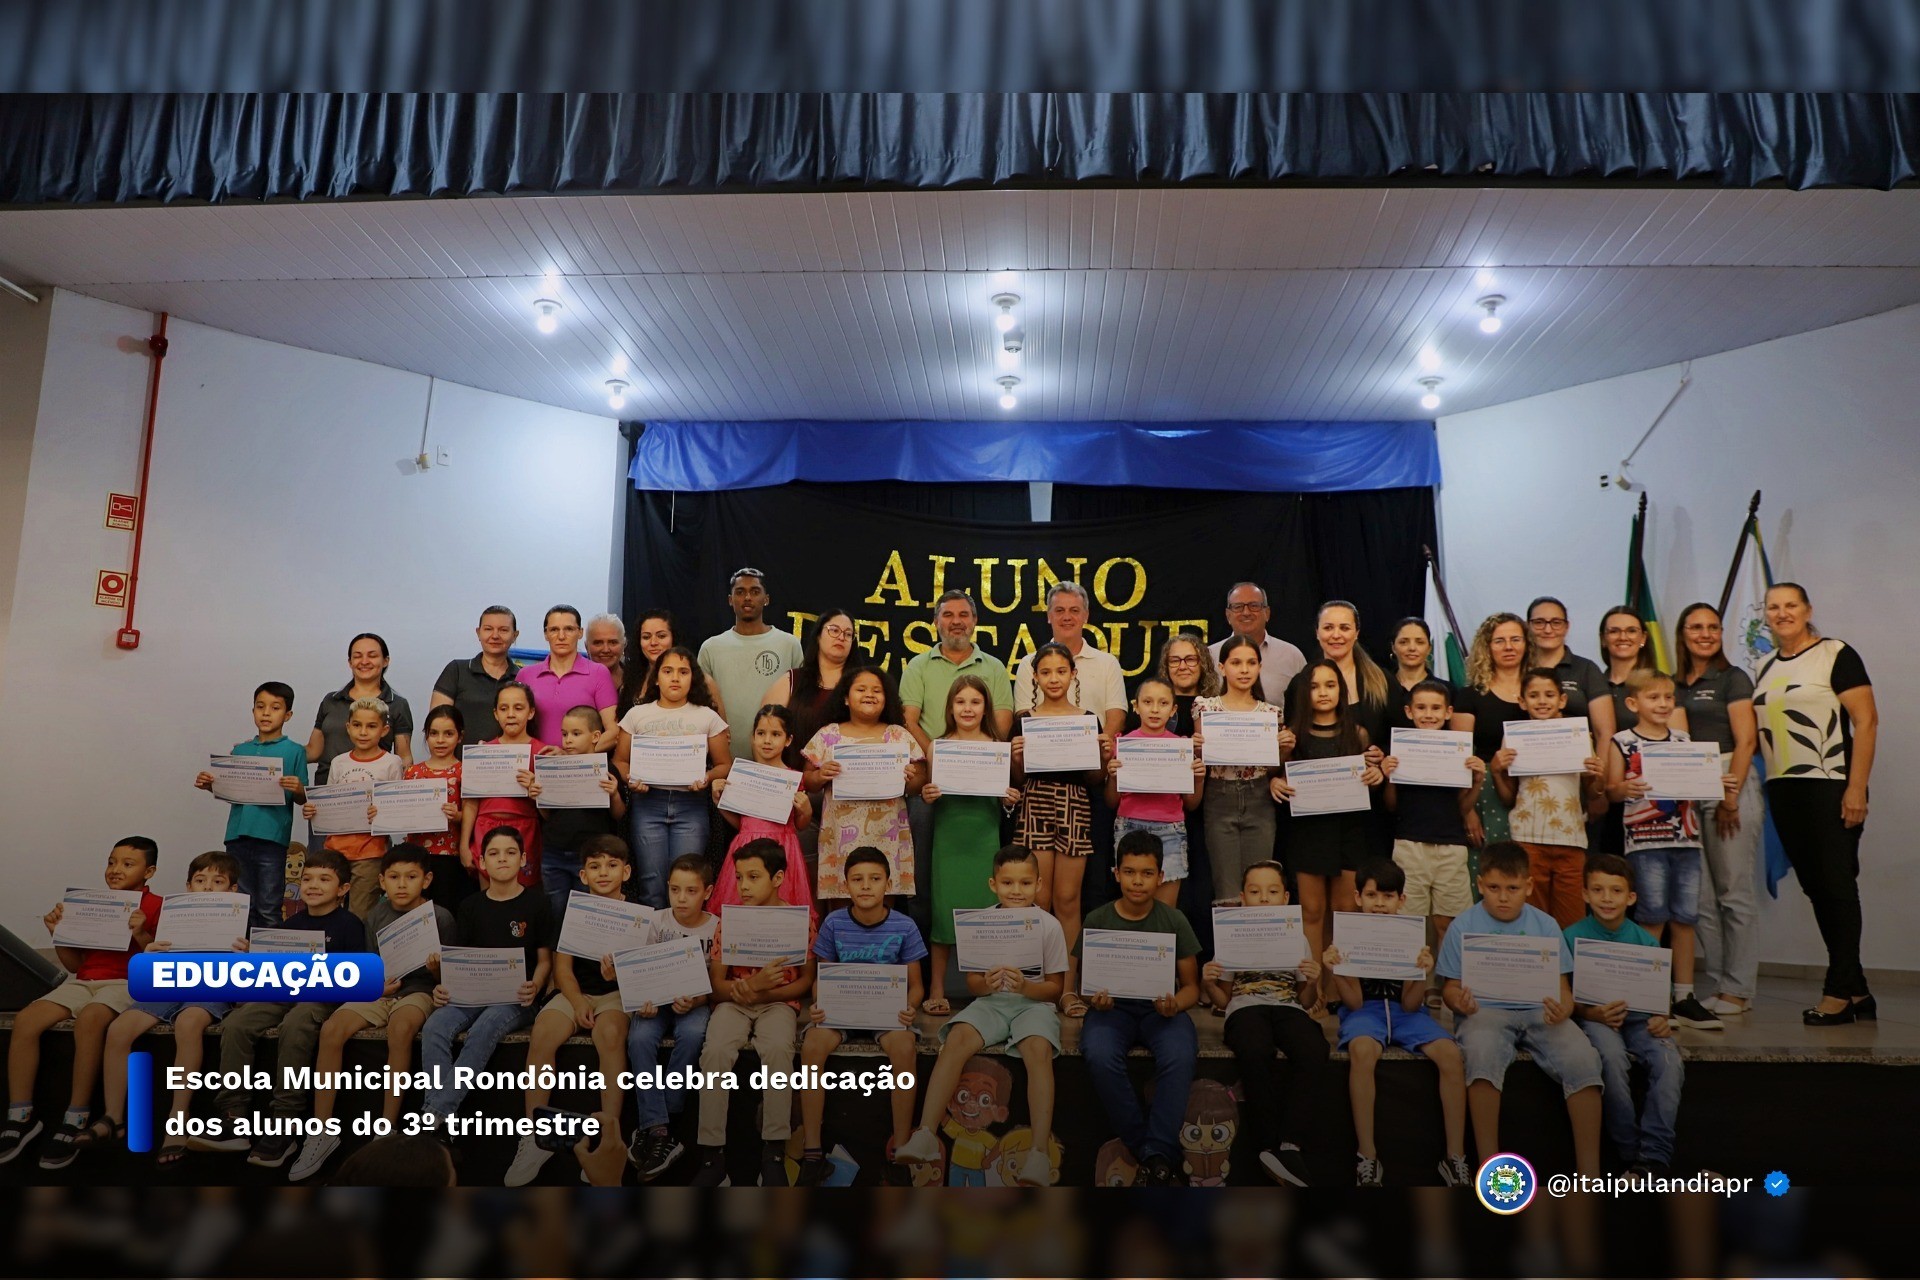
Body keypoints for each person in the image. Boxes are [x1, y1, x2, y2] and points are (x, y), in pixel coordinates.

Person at [894, 844, 1063, 1189]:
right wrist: (985, 985)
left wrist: (1026, 988)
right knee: (955, 1039)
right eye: (1008, 883)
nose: (1016, 891)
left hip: (1033, 1004)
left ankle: (1038, 1154)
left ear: (1039, 885)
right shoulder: (982, 923)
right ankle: (926, 1133)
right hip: (992, 1003)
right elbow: (972, 983)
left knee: (1038, 1050)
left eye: (1025, 883)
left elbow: (1055, 988)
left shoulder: (1049, 926)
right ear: (992, 884)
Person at [292, 843, 458, 1182]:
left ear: (425, 880)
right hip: (381, 991)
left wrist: (437, 970)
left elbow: (450, 979)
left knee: (400, 1029)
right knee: (332, 1029)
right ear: (381, 881)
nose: (401, 884)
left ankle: (386, 1129)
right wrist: (375, 984)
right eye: (394, 877)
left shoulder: (440, 916)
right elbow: (369, 965)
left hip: (420, 991)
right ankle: (321, 1131)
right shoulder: (376, 916)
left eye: (410, 877)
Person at [1438, 841, 1604, 1178]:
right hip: (1485, 1011)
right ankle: (1490, 1167)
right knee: (1481, 1057)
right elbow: (1450, 988)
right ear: (1480, 884)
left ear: (1528, 887)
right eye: (1494, 888)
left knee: (1584, 1060)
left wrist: (1564, 1008)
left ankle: (1590, 1175)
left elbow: (1563, 990)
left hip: (1540, 1011)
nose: (1503, 897)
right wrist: (1460, 1001)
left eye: (1512, 888)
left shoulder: (1545, 925)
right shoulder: (1461, 926)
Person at [1752, 582, 1878, 1026]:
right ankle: (1858, 989)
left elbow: (1866, 721)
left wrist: (1856, 787)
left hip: (1831, 784)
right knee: (1817, 888)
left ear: (1807, 609)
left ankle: (1838, 990)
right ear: (1765, 614)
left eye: (1791, 605)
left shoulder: (1836, 653)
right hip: (1784, 789)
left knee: (1837, 886)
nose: (1782, 613)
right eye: (1774, 607)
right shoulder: (1764, 665)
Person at [195, 848, 366, 1169]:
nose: (313, 885)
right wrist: (254, 956)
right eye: (307, 878)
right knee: (237, 1023)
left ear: (343, 889)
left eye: (324, 879)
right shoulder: (291, 923)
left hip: (323, 997)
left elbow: (354, 976)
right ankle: (233, 1117)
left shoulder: (349, 925)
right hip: (283, 991)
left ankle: (284, 1125)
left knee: (297, 1022)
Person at [0, 838, 163, 1168]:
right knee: (27, 1019)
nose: (116, 870)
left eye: (127, 864)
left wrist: (142, 934)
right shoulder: (91, 904)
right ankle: (21, 1115)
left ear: (149, 872)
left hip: (128, 982)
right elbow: (74, 965)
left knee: (91, 1018)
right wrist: (57, 932)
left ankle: (76, 1115)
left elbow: (159, 963)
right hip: (84, 981)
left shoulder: (157, 905)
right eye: (111, 862)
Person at [1322, 859, 1471, 1188]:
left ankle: (1455, 1157)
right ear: (1358, 897)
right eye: (1372, 896)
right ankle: (1368, 1156)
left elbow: (1410, 1004)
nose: (1379, 904)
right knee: (1362, 1050)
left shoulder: (1410, 935)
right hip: (1365, 1011)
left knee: (1450, 1054)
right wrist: (1337, 970)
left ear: (1401, 900)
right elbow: (1355, 1003)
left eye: (1388, 897)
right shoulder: (1349, 935)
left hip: (1407, 1013)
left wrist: (1422, 972)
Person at [1066, 831, 1201, 1186]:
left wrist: (1176, 1006)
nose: (1137, 881)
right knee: (1097, 1052)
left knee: (1181, 1055)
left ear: (1160, 877)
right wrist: (1093, 999)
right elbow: (1082, 984)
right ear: (1115, 873)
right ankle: (1152, 1151)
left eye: (1145, 873)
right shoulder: (1097, 919)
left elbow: (1192, 987)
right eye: (1129, 872)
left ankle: (1153, 1150)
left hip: (1161, 1011)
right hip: (1112, 1011)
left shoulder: (1174, 921)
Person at [99, 849, 244, 1169]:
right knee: (120, 1028)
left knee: (189, 1023)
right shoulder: (175, 916)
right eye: (200, 880)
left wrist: (245, 956)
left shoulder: (240, 919)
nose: (207, 887)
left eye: (217, 881)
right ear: (188, 886)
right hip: (171, 981)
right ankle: (113, 1116)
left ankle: (179, 1117)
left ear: (232, 891)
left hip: (213, 983)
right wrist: (149, 951)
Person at [504, 834, 635, 1186]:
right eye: (594, 867)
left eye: (611, 866)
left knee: (609, 1035)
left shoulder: (639, 914)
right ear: (583, 875)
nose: (603, 873)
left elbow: (640, 973)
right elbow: (563, 969)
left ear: (626, 872)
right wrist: (576, 1002)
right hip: (576, 990)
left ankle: (608, 1138)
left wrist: (617, 973)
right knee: (544, 1032)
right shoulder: (572, 910)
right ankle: (534, 1136)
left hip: (617, 995)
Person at [795, 847, 927, 1185]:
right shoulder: (834, 922)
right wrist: (819, 1003)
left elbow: (916, 986)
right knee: (811, 1046)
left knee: (904, 1049)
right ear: (846, 885)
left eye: (874, 879)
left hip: (886, 1013)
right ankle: (812, 1154)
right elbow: (821, 979)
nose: (865, 886)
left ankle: (899, 1154)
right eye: (857, 879)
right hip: (841, 1012)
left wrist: (910, 1007)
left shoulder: (905, 925)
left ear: (888, 883)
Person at [691, 840, 817, 1187]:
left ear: (778, 878)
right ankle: (712, 1155)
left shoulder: (798, 920)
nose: (744, 885)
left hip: (778, 1002)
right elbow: (716, 984)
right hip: (733, 1001)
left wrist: (763, 988)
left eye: (753, 876)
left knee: (778, 1050)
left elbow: (805, 981)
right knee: (715, 1051)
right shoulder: (729, 920)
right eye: (740, 877)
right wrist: (743, 989)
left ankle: (774, 1151)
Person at [1605, 668, 1723, 1031]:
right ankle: (1649, 996)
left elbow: (1698, 783)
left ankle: (1684, 996)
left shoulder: (1685, 741)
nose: (1662, 704)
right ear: (1633, 703)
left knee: (1685, 919)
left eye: (1668, 697)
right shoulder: (1622, 742)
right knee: (1652, 918)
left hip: (1686, 841)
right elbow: (1611, 790)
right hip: (1645, 843)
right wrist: (1626, 790)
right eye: (1653, 697)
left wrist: (1719, 781)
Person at [1202, 860, 1329, 1187]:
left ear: (1285, 897)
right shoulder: (1232, 935)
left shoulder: (1296, 936)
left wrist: (1314, 982)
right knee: (1255, 1049)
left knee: (1314, 1048)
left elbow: (1302, 1000)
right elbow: (1224, 1000)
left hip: (1288, 1007)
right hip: (1245, 1008)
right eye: (1255, 892)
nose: (1263, 898)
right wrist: (1209, 984)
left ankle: (1290, 1145)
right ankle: (1267, 1144)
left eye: (1272, 892)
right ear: (1242, 897)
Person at [420, 827, 555, 1129]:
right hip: (470, 996)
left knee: (486, 1027)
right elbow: (458, 963)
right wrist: (443, 986)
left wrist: (536, 985)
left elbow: (546, 960)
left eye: (510, 853)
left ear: (523, 859)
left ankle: (436, 1112)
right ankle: (442, 1114)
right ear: (482, 861)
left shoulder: (538, 903)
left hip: (517, 998)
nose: (502, 859)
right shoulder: (469, 906)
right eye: (493, 853)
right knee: (434, 1027)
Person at [1566, 854, 1686, 1175]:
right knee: (1611, 1058)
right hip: (1595, 1019)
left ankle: (1654, 1157)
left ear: (1631, 897)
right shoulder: (1570, 937)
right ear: (1585, 894)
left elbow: (1662, 998)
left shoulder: (1646, 942)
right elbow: (1565, 1000)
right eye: (1599, 890)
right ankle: (1629, 1150)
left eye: (1617, 891)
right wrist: (1592, 1013)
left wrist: (1663, 1016)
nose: (1607, 898)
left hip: (1640, 1020)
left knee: (1669, 1061)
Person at [1673, 602, 1761, 1017]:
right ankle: (1723, 982)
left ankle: (1740, 990)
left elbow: (1747, 741)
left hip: (1729, 781)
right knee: (1702, 899)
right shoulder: (1675, 683)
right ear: (1682, 633)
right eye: (1696, 627)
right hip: (1690, 786)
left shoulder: (1732, 678)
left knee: (1733, 893)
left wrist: (1730, 797)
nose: (1705, 634)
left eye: (1713, 627)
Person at [1272, 661, 1383, 978]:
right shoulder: (1292, 735)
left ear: (1342, 691)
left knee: (1345, 910)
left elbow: (1370, 774)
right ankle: (1313, 983)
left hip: (1349, 830)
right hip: (1307, 832)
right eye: (1315, 686)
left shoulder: (1358, 733)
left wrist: (1377, 774)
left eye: (1330, 685)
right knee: (1312, 910)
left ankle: (1341, 985)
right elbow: (1276, 774)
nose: (1323, 692)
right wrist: (1274, 781)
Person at [919, 675, 1020, 1014]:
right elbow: (931, 794)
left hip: (983, 840)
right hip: (949, 841)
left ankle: (990, 990)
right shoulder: (937, 746)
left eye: (975, 702)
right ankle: (936, 989)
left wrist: (1009, 801)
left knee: (986, 913)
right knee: (943, 915)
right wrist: (928, 795)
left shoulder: (996, 747)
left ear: (985, 708)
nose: (967, 708)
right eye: (961, 701)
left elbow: (1003, 805)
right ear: (950, 707)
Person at [1010, 643, 1113, 951]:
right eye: (1045, 672)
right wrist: (1016, 759)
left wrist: (1103, 758)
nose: (1054, 678)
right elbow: (1016, 782)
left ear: (1073, 674)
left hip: (1075, 805)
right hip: (1034, 803)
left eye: (1061, 671)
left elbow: (1093, 779)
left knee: (1068, 900)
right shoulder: (1024, 721)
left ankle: (1067, 983)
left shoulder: (1088, 720)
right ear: (1035, 678)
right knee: (1037, 899)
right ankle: (1039, 981)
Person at [625, 853, 718, 1182]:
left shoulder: (716, 927)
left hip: (694, 1002)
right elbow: (639, 972)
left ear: (707, 892)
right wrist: (641, 1001)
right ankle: (661, 1130)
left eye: (691, 891)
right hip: (655, 1002)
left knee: (693, 1036)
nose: (681, 898)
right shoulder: (656, 921)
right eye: (675, 889)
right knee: (639, 1037)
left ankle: (658, 1123)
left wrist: (697, 999)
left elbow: (718, 983)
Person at [1490, 669, 1607, 929]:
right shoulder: (1513, 737)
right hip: (1528, 838)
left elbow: (1592, 792)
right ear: (1522, 702)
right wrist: (1497, 771)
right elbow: (1508, 797)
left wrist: (1597, 777)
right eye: (1533, 695)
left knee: (1572, 919)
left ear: (1562, 700)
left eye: (1549, 695)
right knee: (1533, 919)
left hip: (1571, 838)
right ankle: (1538, 970)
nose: (1542, 701)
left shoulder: (1578, 735)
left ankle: (1566, 971)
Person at [615, 646, 731, 908]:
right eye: (668, 671)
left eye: (683, 671)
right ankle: (653, 949)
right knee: (651, 885)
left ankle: (685, 948)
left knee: (687, 885)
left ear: (694, 678)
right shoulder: (637, 715)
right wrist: (631, 778)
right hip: (647, 804)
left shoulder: (707, 716)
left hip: (691, 804)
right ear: (657, 678)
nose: (675, 678)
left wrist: (707, 776)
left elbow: (725, 764)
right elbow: (619, 761)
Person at [801, 666, 927, 901]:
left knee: (883, 894)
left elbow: (920, 780)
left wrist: (911, 778)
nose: (869, 694)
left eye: (877, 690)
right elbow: (807, 779)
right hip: (839, 835)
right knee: (842, 893)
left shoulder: (898, 735)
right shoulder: (829, 734)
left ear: (886, 699)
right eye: (861, 689)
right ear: (846, 698)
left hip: (886, 833)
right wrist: (820, 775)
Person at [193, 680, 308, 932]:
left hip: (272, 837)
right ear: (253, 710)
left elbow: (303, 797)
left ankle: (268, 962)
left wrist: (297, 787)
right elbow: (231, 790)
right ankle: (240, 960)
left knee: (268, 904)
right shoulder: (240, 749)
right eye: (260, 706)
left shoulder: (295, 751)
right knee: (239, 904)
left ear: (287, 715)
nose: (266, 713)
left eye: (275, 707)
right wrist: (210, 785)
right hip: (237, 835)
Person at [1380, 678, 1484, 953]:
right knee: (1409, 922)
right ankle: (1418, 989)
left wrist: (1477, 780)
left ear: (1449, 712)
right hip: (1409, 843)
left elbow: (1463, 808)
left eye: (1436, 708)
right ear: (1408, 712)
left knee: (1448, 923)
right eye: (1421, 708)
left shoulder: (1459, 751)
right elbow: (1391, 806)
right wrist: (1389, 777)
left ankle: (1443, 987)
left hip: (1451, 843)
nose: (1429, 714)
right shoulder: (1400, 750)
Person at [1194, 635, 1290, 923]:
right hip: (1218, 796)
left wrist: (1283, 751)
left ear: (1260, 667)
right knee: (1226, 891)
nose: (1244, 669)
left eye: (1251, 663)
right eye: (1236, 662)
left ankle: (1261, 966)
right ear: (1222, 668)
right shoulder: (1206, 707)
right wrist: (1197, 746)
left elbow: (1274, 769)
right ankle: (1229, 967)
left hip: (1259, 797)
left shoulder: (1272, 713)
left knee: (1261, 888)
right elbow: (1200, 757)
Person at [1106, 676, 1206, 907]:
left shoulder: (1181, 747)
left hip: (1171, 830)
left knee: (1165, 911)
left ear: (1173, 709)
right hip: (1128, 826)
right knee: (1133, 906)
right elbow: (1111, 802)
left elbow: (1191, 804)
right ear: (1135, 706)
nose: (1154, 709)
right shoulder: (1123, 745)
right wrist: (1112, 778)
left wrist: (1198, 780)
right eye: (1148, 702)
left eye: (1163, 703)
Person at [305, 695, 406, 917]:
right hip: (334, 850)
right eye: (357, 725)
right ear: (348, 728)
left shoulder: (392, 763)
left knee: (361, 912)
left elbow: (396, 809)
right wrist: (313, 811)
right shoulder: (339, 762)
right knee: (328, 911)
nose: (363, 732)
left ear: (384, 730)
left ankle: (359, 953)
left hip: (370, 852)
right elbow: (327, 803)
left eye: (371, 726)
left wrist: (383, 812)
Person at [712, 704, 816, 909]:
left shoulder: (794, 778)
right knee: (741, 910)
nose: (767, 740)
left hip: (783, 849)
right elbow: (742, 823)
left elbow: (799, 825)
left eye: (776, 734)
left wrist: (806, 810)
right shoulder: (741, 775)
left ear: (788, 740)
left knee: (781, 912)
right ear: (753, 736)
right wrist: (719, 802)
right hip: (746, 846)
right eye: (761, 733)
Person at [698, 568, 805, 748]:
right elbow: (701, 705)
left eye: (755, 592)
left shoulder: (789, 644)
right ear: (730, 600)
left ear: (766, 599)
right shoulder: (711, 648)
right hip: (723, 758)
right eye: (740, 592)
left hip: (775, 758)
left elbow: (800, 701)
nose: (747, 597)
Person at [536, 705, 629, 913]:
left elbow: (619, 814)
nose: (568, 740)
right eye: (564, 734)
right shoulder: (554, 766)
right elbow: (548, 815)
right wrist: (538, 798)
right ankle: (555, 946)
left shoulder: (606, 767)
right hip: (555, 851)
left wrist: (614, 794)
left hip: (591, 855)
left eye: (576, 734)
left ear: (596, 736)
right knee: (555, 909)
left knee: (586, 912)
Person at [1455, 612, 1533, 854]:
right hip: (1486, 793)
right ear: (1487, 647)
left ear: (1527, 644)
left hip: (1535, 789)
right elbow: (1461, 757)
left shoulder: (1541, 690)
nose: (1508, 647)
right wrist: (1468, 812)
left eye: (1516, 639)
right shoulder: (1470, 696)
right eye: (1499, 641)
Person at [1010, 582, 1129, 739]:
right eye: (1059, 610)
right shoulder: (1028, 663)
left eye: (1074, 610)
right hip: (1042, 756)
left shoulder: (1108, 663)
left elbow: (1117, 717)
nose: (1067, 617)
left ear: (1086, 615)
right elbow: (1023, 717)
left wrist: (1096, 752)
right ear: (1049, 615)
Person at [458, 682, 545, 891]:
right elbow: (470, 802)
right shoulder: (482, 751)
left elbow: (550, 812)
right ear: (495, 714)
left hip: (525, 831)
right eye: (504, 709)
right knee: (489, 896)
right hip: (485, 829)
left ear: (531, 712)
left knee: (523, 897)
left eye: (518, 708)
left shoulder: (543, 753)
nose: (511, 714)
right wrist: (463, 845)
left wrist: (536, 791)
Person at [902, 590, 1017, 747]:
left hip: (984, 763)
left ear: (974, 620)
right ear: (936, 622)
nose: (956, 621)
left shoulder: (995, 667)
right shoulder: (917, 666)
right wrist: (937, 758)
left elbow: (1002, 727)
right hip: (930, 764)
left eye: (963, 614)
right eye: (948, 615)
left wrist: (977, 757)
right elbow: (908, 722)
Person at [309, 632, 414, 781]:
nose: (364, 661)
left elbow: (404, 758)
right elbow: (313, 751)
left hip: (373, 795)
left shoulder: (397, 704)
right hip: (326, 792)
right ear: (350, 662)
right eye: (357, 656)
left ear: (385, 661)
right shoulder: (331, 700)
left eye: (372, 655)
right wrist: (276, 752)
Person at [517, 606, 619, 745]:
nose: (561, 636)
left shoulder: (598, 673)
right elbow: (511, 725)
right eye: (554, 630)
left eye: (569, 629)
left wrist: (570, 756)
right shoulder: (526, 675)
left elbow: (613, 733)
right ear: (545, 634)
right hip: (533, 764)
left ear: (580, 632)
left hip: (580, 765)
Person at [1524, 596, 1617, 747]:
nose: (1548, 629)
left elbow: (1604, 733)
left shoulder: (1586, 669)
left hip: (1580, 765)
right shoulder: (1518, 667)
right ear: (1528, 626)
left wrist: (1601, 769)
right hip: (1526, 762)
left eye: (1556, 623)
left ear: (1567, 627)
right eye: (1539, 622)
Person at [767, 607, 859, 753]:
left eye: (848, 634)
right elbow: (763, 734)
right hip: (793, 773)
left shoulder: (862, 684)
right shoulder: (791, 680)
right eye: (834, 630)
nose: (841, 637)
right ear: (818, 635)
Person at [405, 705, 469, 909]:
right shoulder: (412, 772)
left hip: (449, 857)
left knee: (445, 909)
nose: (440, 740)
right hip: (415, 856)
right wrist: (382, 816)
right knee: (416, 909)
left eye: (448, 734)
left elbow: (472, 814)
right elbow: (401, 811)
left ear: (460, 737)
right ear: (426, 736)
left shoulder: (464, 771)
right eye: (434, 733)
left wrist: (457, 815)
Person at [431, 606, 523, 744]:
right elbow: (437, 724)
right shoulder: (456, 670)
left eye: (503, 630)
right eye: (488, 629)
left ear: (515, 635)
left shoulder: (523, 677)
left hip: (510, 761)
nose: (495, 635)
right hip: (460, 762)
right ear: (478, 633)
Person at [1209, 582, 1308, 703]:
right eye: (1238, 607)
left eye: (1254, 605)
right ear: (1228, 615)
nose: (1246, 612)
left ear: (1267, 613)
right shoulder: (1210, 656)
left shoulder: (1291, 656)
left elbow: (1305, 705)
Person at [619, 608, 725, 719]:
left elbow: (723, 732)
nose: (653, 642)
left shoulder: (703, 681)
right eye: (646, 637)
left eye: (661, 636)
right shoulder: (630, 682)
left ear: (673, 638)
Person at [586, 612, 627, 691]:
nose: (606, 650)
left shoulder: (639, 680)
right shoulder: (575, 682)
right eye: (598, 643)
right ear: (586, 646)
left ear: (624, 645)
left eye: (613, 642)